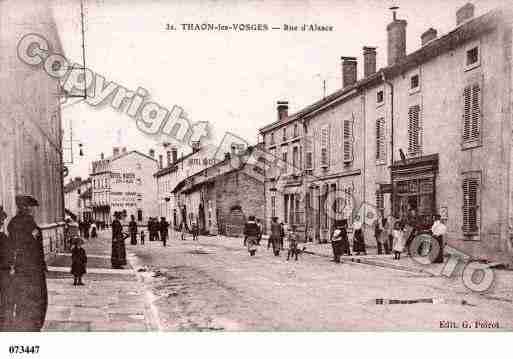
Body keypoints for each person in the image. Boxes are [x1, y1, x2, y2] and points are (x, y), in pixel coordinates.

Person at [7, 194, 48, 331]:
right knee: (36, 297)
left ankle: (23, 323)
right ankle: (33, 325)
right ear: (23, 207)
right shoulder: (29, 224)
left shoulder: (13, 223)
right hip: (32, 268)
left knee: (22, 297)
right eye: (30, 207)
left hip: (21, 267)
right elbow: (34, 246)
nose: (32, 210)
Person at [0, 206, 14, 331]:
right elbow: (9, 257)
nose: (2, 222)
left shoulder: (3, 237)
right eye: (1, 220)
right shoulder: (3, 238)